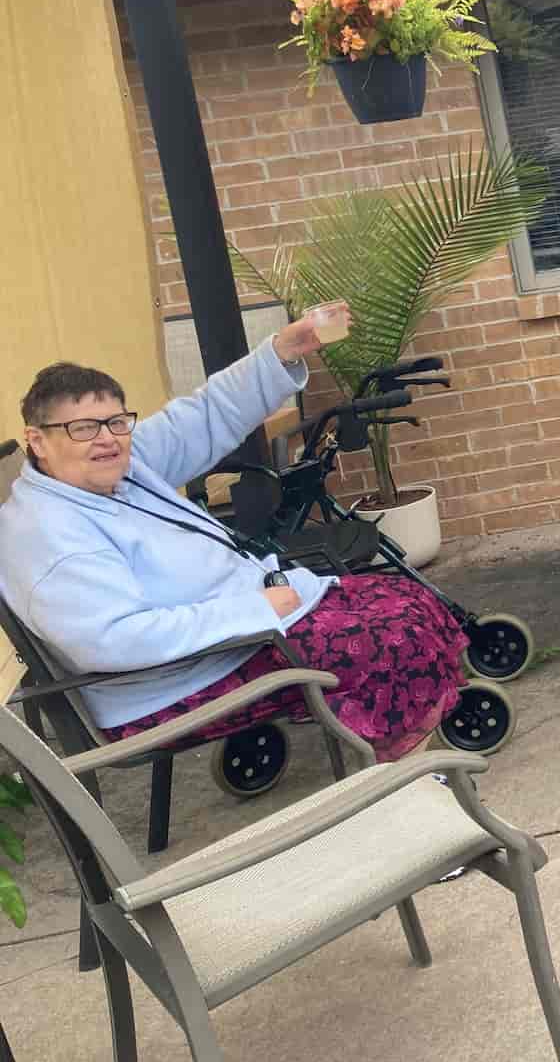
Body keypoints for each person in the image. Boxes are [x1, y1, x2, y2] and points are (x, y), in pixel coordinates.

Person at [0, 309, 467, 761]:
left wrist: (280, 353)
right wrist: (253, 610)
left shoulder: (113, 468)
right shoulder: (47, 533)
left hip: (232, 638)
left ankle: (403, 758)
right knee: (394, 638)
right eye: (82, 428)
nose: (106, 438)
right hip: (172, 685)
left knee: (409, 598)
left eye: (117, 422)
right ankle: (405, 777)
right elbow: (114, 639)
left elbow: (201, 416)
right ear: (38, 440)